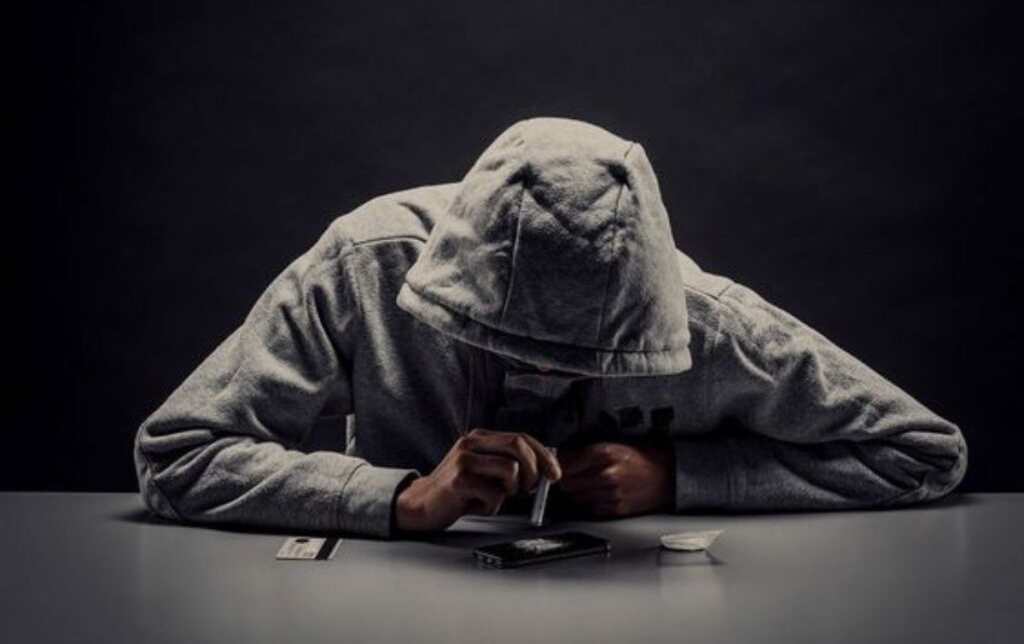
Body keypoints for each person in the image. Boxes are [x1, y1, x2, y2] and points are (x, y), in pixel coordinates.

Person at [133, 117, 968, 538]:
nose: (538, 383)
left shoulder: (710, 322)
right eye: (503, 346)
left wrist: (676, 475)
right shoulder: (366, 265)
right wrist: (406, 498)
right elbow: (175, 454)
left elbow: (924, 452)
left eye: (581, 361)